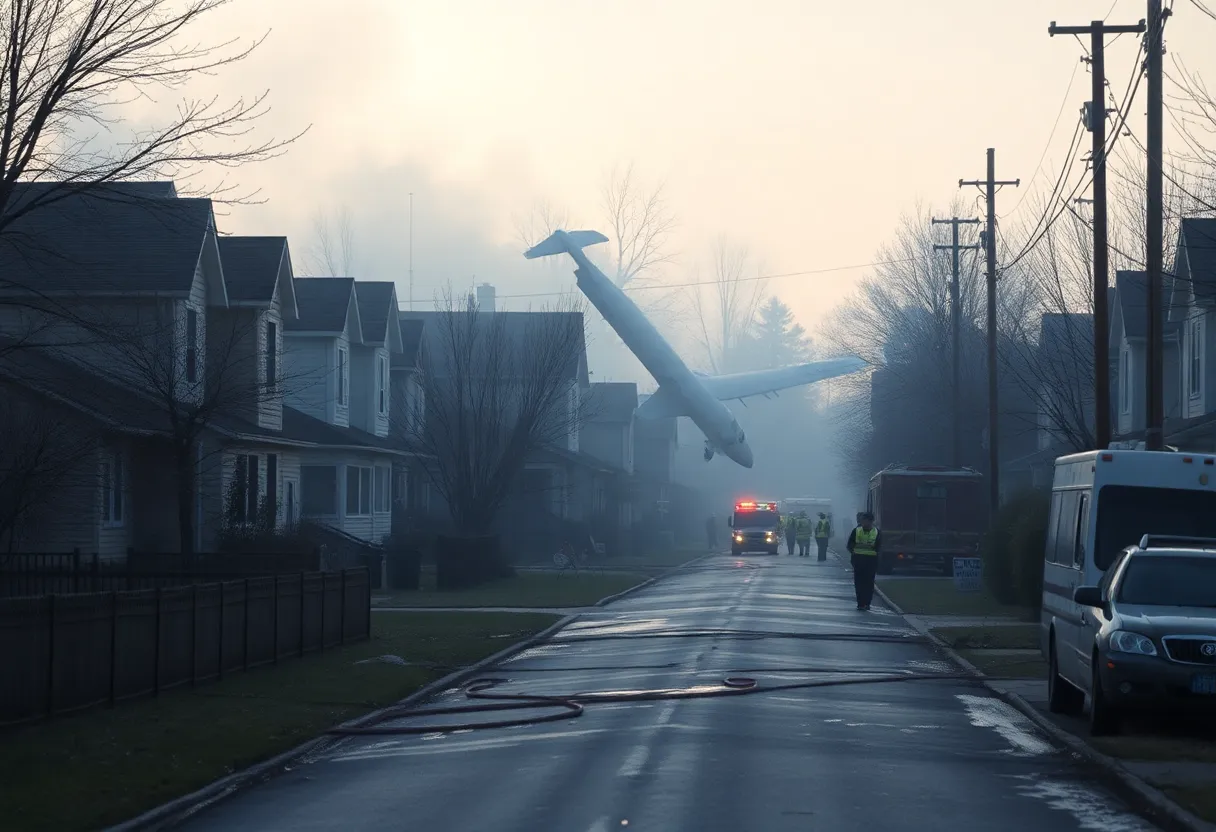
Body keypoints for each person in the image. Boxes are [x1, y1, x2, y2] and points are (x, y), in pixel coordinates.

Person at [847, 512, 881, 610]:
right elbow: (850, 545)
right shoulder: (856, 531)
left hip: (871, 562)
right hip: (858, 561)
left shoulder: (877, 532)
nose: (862, 522)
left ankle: (867, 603)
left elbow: (879, 547)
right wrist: (854, 554)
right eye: (861, 520)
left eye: (864, 520)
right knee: (859, 583)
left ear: (870, 521)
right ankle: (860, 603)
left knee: (869, 583)